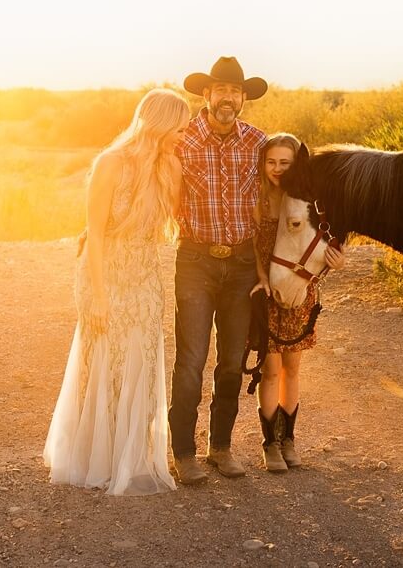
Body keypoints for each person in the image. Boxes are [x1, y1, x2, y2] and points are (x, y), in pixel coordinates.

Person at [44, 88, 189, 495]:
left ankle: (134, 456)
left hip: (145, 276)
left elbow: (175, 223)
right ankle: (98, 456)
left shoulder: (171, 167)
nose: (183, 134)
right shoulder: (109, 163)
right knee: (104, 358)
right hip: (104, 272)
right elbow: (95, 234)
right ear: (158, 124)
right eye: (178, 127)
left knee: (141, 358)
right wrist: (98, 295)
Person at [168, 56, 268, 484]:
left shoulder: (259, 143)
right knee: (190, 360)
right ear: (206, 95)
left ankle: (221, 447)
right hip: (195, 259)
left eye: (235, 91)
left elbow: (275, 201)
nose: (228, 98)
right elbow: (147, 179)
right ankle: (183, 453)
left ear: (243, 98)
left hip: (244, 264)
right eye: (220, 90)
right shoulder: (181, 140)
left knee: (231, 361)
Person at [251, 133, 346, 472]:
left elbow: (321, 240)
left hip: (299, 289)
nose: (277, 169)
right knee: (270, 369)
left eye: (284, 163)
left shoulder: (305, 200)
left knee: (293, 369)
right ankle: (269, 444)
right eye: (271, 162)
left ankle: (288, 438)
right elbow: (253, 246)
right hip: (269, 290)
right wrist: (261, 277)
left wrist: (336, 260)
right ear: (263, 163)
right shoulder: (258, 199)